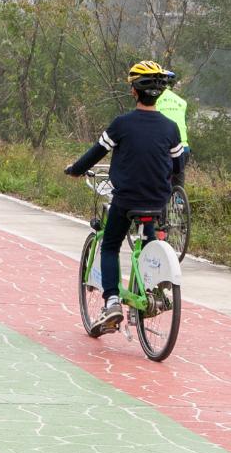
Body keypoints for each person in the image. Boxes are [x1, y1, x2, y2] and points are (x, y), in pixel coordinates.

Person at [63, 60, 183, 337]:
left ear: (133, 91)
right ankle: (156, 290)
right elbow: (178, 166)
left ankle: (113, 302)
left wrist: (75, 169)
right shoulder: (170, 128)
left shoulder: (122, 124)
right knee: (149, 240)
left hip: (126, 199)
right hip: (157, 200)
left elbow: (96, 153)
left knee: (110, 245)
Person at [157, 69, 190, 186]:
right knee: (178, 174)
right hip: (184, 148)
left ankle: (162, 201)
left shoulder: (154, 100)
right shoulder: (182, 102)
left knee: (158, 176)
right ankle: (179, 201)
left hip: (164, 147)